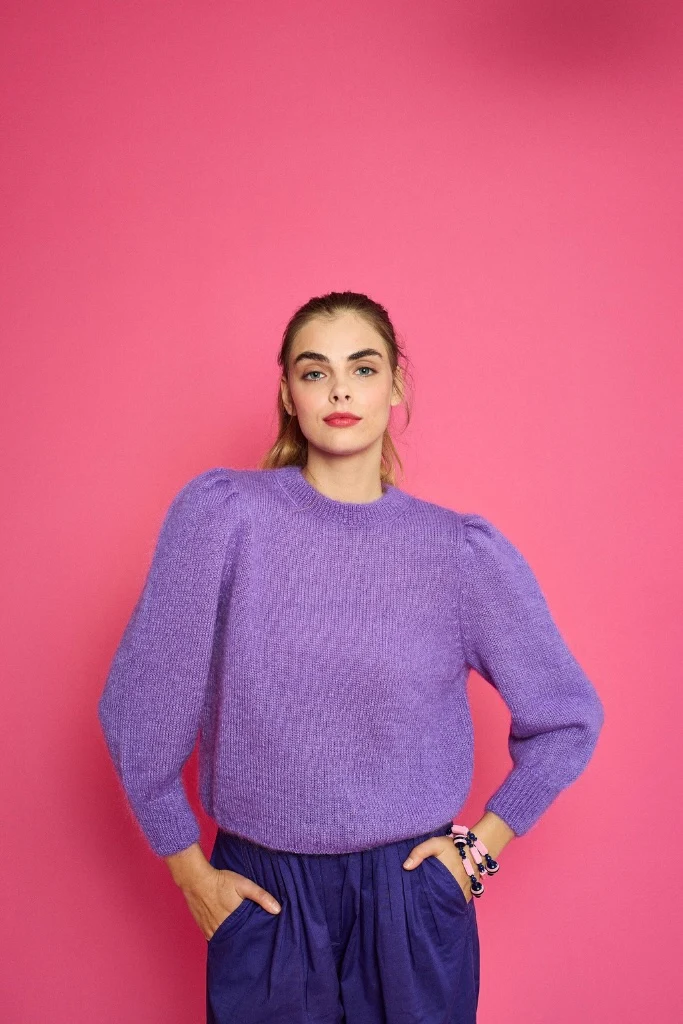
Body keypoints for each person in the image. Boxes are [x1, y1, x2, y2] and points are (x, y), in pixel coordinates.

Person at [97, 289, 605, 1023]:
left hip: (411, 895)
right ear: (288, 394)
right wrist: (187, 869)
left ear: (395, 386)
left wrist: (478, 850)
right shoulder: (223, 518)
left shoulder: (457, 553)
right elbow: (140, 709)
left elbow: (566, 717)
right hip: (264, 896)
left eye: (362, 369)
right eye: (315, 372)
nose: (339, 390)